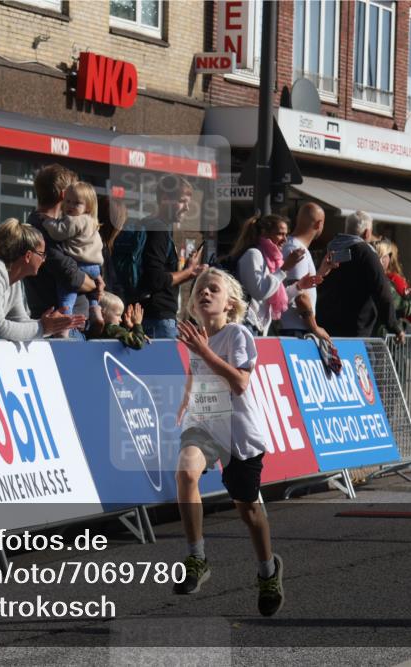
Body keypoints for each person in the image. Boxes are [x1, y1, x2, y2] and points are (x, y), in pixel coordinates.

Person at [173, 267, 284, 617]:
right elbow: (195, 372)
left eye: (213, 289)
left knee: (247, 510)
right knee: (186, 473)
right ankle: (197, 557)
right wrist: (185, 402)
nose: (205, 292)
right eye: (199, 289)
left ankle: (268, 571)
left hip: (239, 432)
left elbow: (239, 383)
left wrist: (205, 352)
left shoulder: (237, 334)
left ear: (229, 303)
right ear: (192, 303)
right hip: (205, 425)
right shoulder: (195, 338)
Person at [23, 165, 103, 339]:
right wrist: (95, 286)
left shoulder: (59, 226)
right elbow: (71, 276)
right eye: (72, 195)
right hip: (61, 327)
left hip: (68, 326)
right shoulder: (42, 229)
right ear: (63, 195)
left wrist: (96, 279)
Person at [226, 214, 322, 336]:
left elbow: (273, 294)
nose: (285, 239)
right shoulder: (253, 254)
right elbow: (260, 292)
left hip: (260, 327)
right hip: (246, 324)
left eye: (286, 234)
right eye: (280, 234)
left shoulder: (272, 259)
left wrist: (298, 286)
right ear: (264, 233)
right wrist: (284, 268)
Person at [315, 211, 404, 340]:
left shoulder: (329, 249)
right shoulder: (366, 253)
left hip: (324, 327)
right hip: (354, 330)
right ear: (367, 233)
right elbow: (382, 292)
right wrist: (394, 326)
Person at [139, 174, 205, 338]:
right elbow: (156, 279)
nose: (187, 208)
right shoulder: (159, 230)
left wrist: (186, 270)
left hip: (148, 315)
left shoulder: (148, 224)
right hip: (158, 319)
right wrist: (190, 272)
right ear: (165, 198)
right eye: (182, 201)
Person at [42, 181, 104, 330]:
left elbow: (58, 233)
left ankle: (65, 321)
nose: (70, 206)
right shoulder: (92, 222)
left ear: (88, 206)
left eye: (76, 203)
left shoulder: (74, 220)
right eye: (68, 201)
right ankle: (95, 309)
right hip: (95, 268)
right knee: (94, 294)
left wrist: (47, 222)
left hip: (79, 264)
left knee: (66, 294)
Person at [280, 203, 335, 343]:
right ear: (319, 224)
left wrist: (321, 272)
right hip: (295, 331)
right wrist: (315, 328)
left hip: (294, 328)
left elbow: (299, 285)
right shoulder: (297, 250)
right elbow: (300, 297)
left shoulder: (296, 247)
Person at [371, 239, 411, 338]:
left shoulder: (364, 277)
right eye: (389, 255)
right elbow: (402, 308)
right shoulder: (383, 281)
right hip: (379, 338)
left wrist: (406, 295)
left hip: (365, 336)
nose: (390, 259)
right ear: (383, 258)